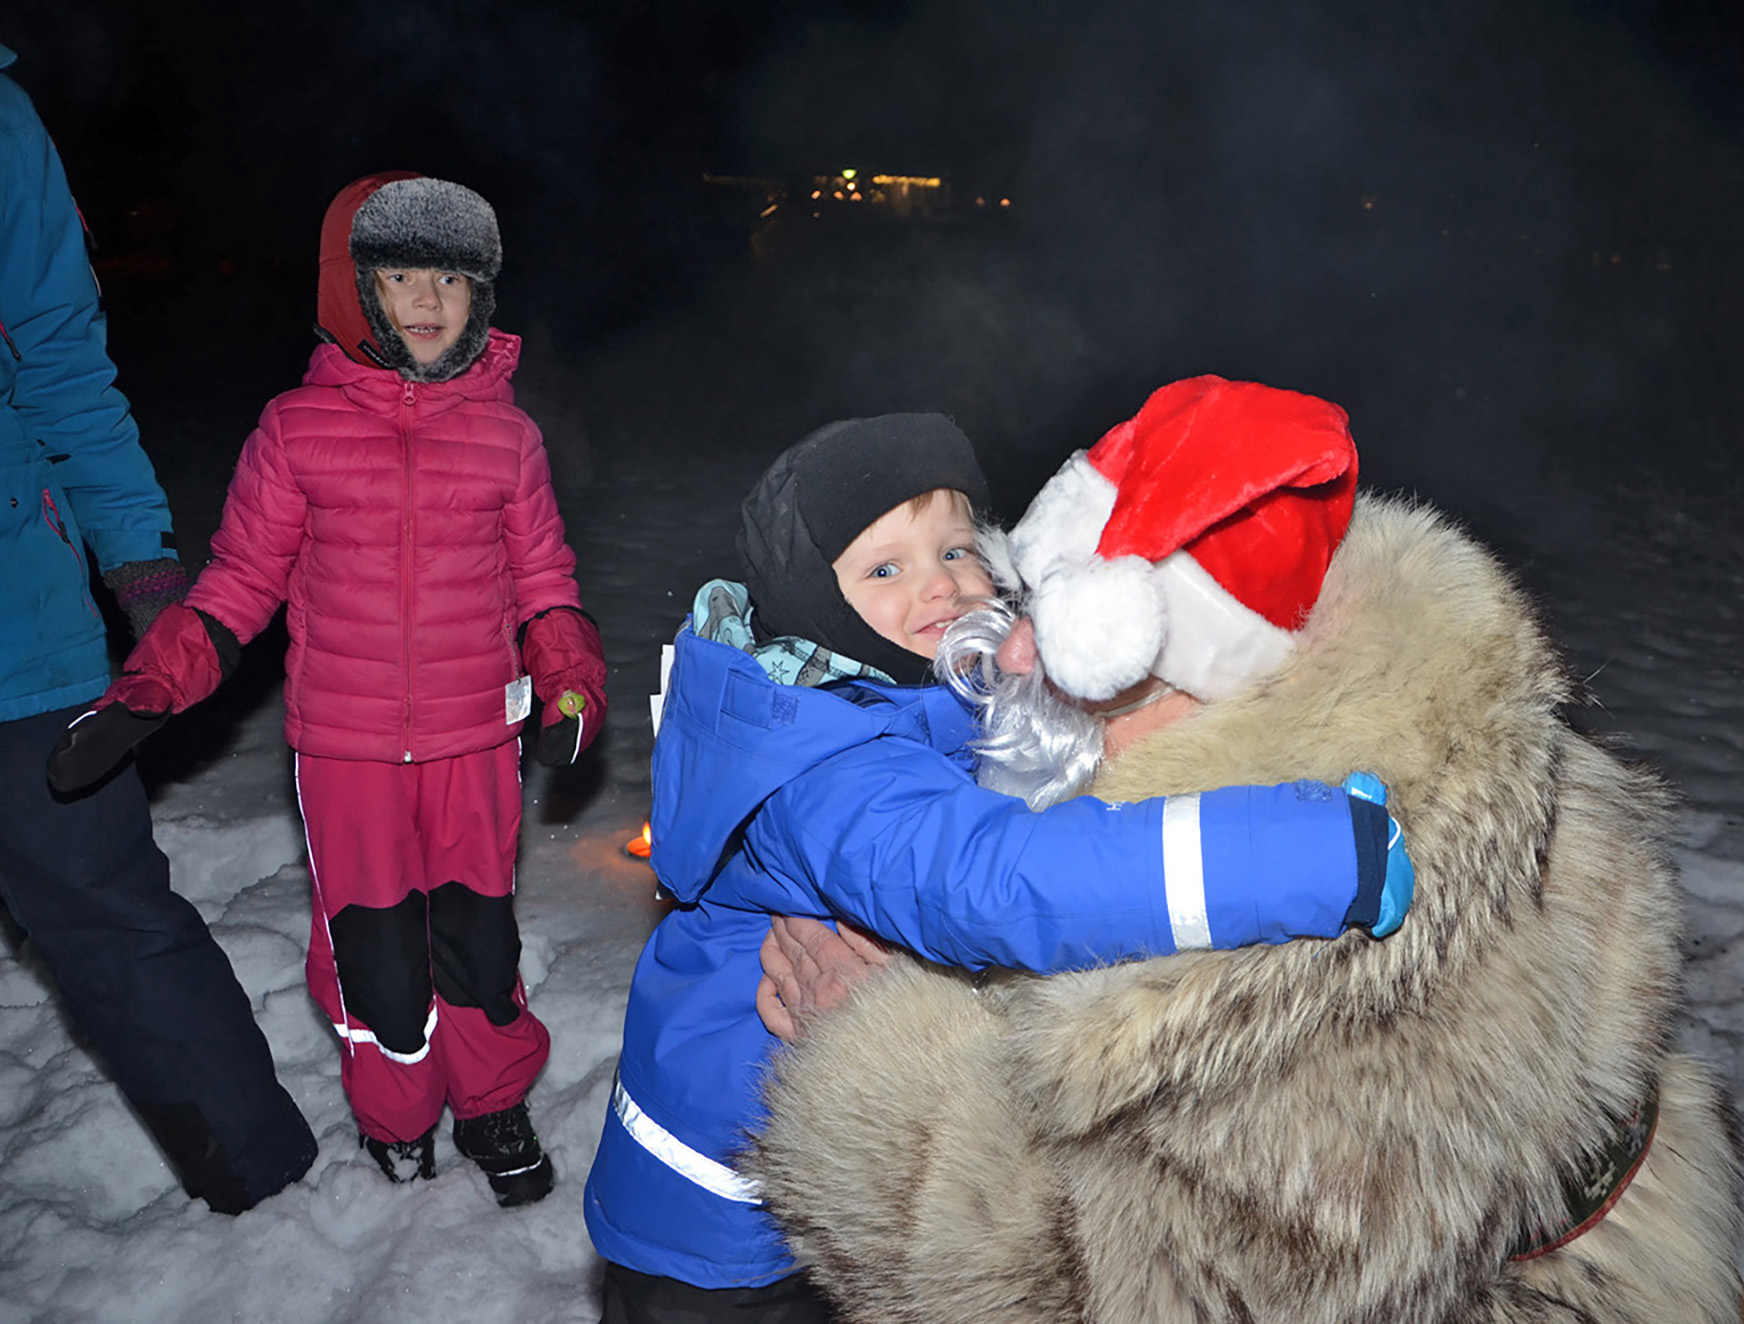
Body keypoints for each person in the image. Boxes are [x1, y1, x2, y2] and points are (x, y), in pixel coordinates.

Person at [749, 376, 1744, 1322]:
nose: (1006, 649)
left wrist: (874, 1071)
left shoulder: (1278, 989)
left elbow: (1082, 1291)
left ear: (1196, 688)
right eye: (1028, 599)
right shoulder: (1463, 727)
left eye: (1065, 647)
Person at [583, 412, 1414, 1324]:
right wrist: (1299, 852)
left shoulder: (910, 696)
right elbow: (993, 882)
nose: (939, 586)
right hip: (721, 1231)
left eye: (957, 549)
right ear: (810, 604)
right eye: (885, 568)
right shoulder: (825, 772)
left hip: (811, 1182)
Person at [47, 171, 605, 1209]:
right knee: (376, 957)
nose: (428, 299)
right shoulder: (295, 431)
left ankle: (491, 1104)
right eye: (400, 275)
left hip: (473, 742)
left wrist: (567, 678)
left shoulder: (506, 436)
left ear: (478, 295)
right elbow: (241, 581)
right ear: (356, 293)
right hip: (346, 753)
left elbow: (545, 583)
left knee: (478, 945)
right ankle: (396, 1118)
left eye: (449, 277)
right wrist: (150, 691)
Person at [0, 42, 317, 1215]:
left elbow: (62, 365)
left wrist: (140, 567)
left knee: (108, 913)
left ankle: (266, 1188)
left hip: (14, 625)